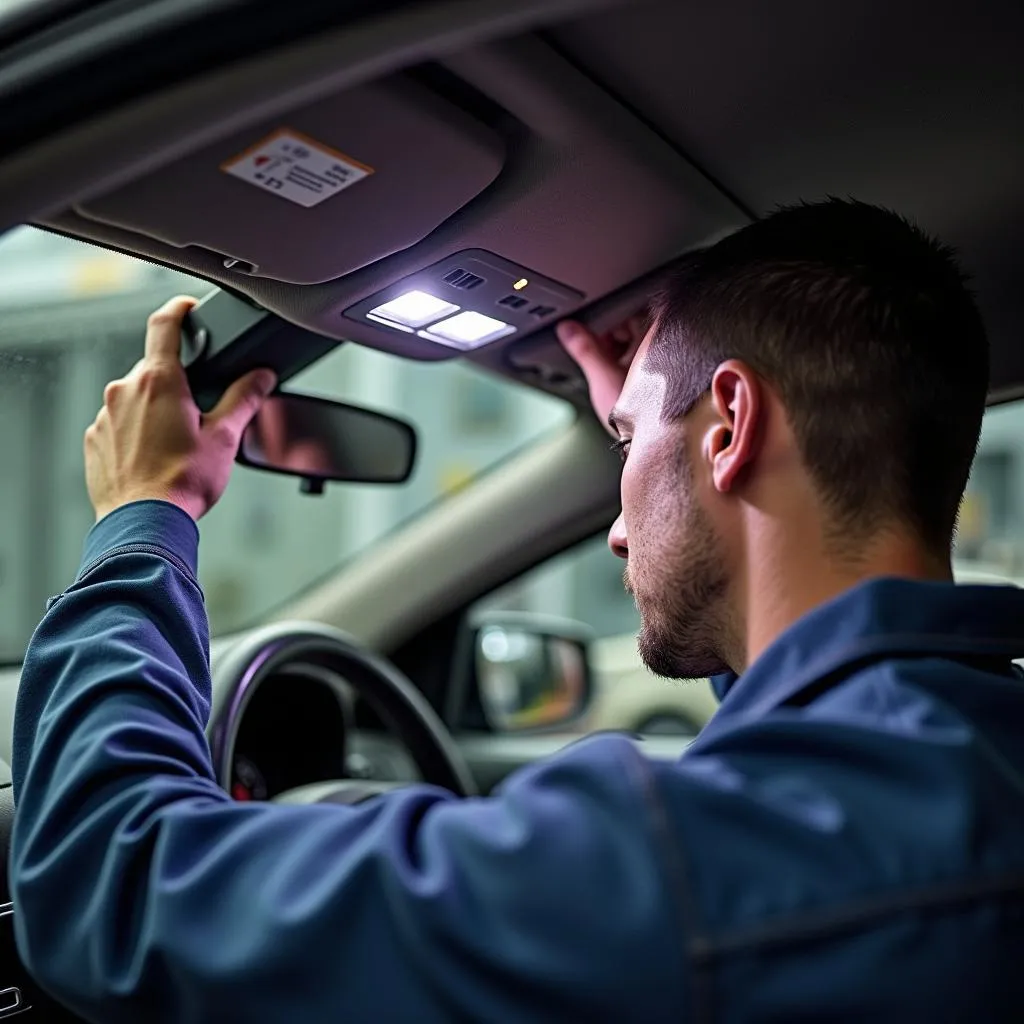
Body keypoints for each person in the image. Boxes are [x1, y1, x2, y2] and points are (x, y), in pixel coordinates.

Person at [10, 198, 1024, 1022]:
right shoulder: (962, 760)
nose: (618, 530)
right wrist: (659, 444)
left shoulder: (684, 867)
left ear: (729, 430)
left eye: (624, 447)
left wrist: (146, 515)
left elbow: (114, 884)